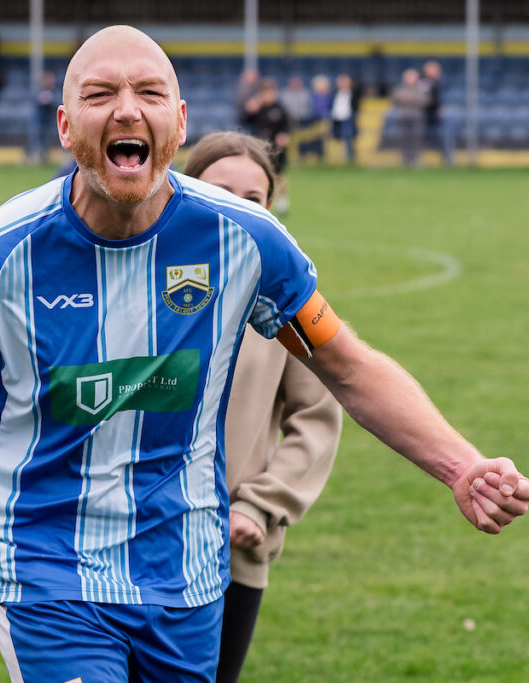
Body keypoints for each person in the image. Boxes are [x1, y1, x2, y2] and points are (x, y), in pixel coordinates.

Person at [0, 25, 529, 683]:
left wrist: (462, 466)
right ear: (65, 126)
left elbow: (350, 367)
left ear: (178, 121)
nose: (126, 109)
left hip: (189, 575)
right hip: (46, 565)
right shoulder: (0, 255)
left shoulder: (244, 239)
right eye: (99, 95)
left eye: (149, 94)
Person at [184, 131, 342, 683]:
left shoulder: (287, 298)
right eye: (219, 191)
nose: (235, 208)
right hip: (120, 544)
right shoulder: (130, 280)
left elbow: (317, 416)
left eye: (252, 199)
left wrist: (260, 506)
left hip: (230, 549)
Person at [242, 78, 290, 176]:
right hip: (259, 144)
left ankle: (279, 190)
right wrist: (249, 111)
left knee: (278, 173)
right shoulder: (257, 107)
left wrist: (283, 135)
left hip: (276, 147)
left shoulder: (279, 107)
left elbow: (286, 125)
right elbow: (244, 121)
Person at [392, 67, 430, 167]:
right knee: (404, 138)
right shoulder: (400, 88)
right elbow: (395, 98)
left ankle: (415, 160)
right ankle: (405, 160)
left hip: (417, 116)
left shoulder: (421, 88)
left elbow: (425, 100)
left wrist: (411, 99)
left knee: (416, 138)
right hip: (403, 116)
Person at [421, 60, 452, 166]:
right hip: (425, 115)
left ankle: (447, 159)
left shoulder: (437, 83)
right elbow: (425, 100)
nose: (437, 72)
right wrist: (436, 107)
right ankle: (416, 160)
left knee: (444, 136)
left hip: (435, 115)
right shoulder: (424, 83)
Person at [330, 73, 360, 164]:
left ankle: (350, 158)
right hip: (336, 119)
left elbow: (356, 107)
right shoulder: (335, 93)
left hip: (348, 119)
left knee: (348, 137)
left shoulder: (354, 93)